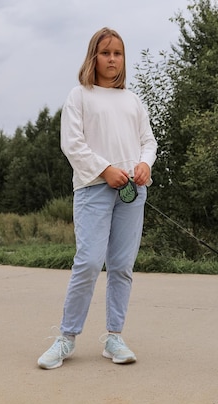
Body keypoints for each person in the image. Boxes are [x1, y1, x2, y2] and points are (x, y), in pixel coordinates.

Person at [38, 27, 157, 369]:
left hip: (132, 192)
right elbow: (72, 144)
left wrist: (144, 164)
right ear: (93, 57)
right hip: (93, 189)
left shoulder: (132, 100)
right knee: (89, 262)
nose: (112, 59)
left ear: (123, 59)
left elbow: (148, 141)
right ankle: (66, 338)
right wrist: (105, 170)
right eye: (105, 53)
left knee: (121, 266)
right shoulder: (79, 96)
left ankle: (114, 338)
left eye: (117, 53)